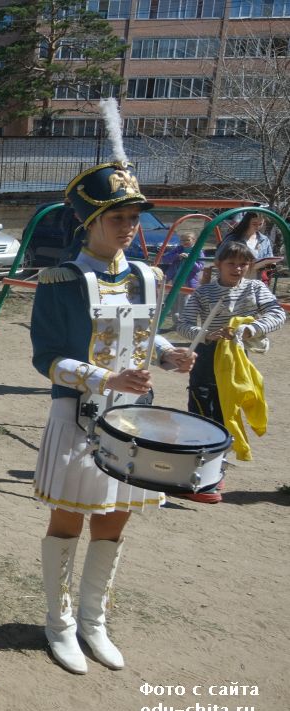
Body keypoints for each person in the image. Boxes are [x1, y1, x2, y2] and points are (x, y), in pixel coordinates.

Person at [31, 156, 195, 675]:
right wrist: (104, 379)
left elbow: (142, 334)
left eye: (133, 217)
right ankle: (59, 624)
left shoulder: (147, 276)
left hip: (132, 418)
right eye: (117, 217)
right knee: (68, 518)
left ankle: (93, 621)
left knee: (115, 516)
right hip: (77, 414)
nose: (128, 227)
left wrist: (167, 354)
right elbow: (46, 358)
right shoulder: (60, 280)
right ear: (90, 221)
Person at [177, 239, 285, 501]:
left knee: (229, 411)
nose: (237, 268)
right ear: (218, 264)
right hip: (206, 357)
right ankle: (198, 469)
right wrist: (207, 335)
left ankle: (217, 469)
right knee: (202, 409)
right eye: (231, 263)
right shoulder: (203, 293)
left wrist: (250, 329)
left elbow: (277, 314)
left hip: (236, 358)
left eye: (243, 264)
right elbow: (183, 324)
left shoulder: (255, 288)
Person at [223, 212, 278, 282]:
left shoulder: (264, 239)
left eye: (260, 224)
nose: (257, 227)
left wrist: (270, 265)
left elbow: (270, 258)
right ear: (246, 223)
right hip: (235, 277)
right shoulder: (233, 238)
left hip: (257, 279)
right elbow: (221, 257)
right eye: (254, 224)